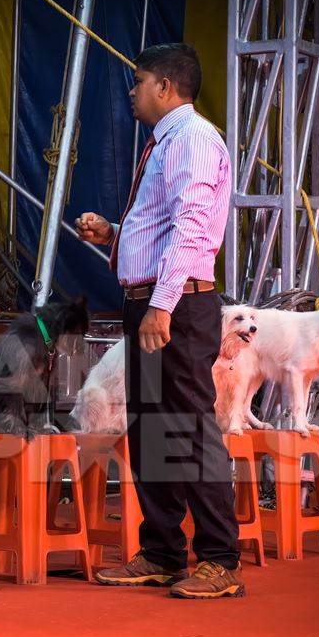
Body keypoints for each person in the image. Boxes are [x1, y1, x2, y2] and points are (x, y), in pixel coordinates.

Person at [75, 43, 243, 598]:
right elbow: (165, 230)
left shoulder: (191, 139)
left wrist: (162, 306)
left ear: (166, 87)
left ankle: (220, 560)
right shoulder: (166, 141)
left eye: (139, 80)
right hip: (151, 299)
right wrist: (118, 237)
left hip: (175, 307)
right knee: (149, 428)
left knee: (187, 428)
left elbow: (193, 232)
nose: (132, 90)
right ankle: (164, 551)